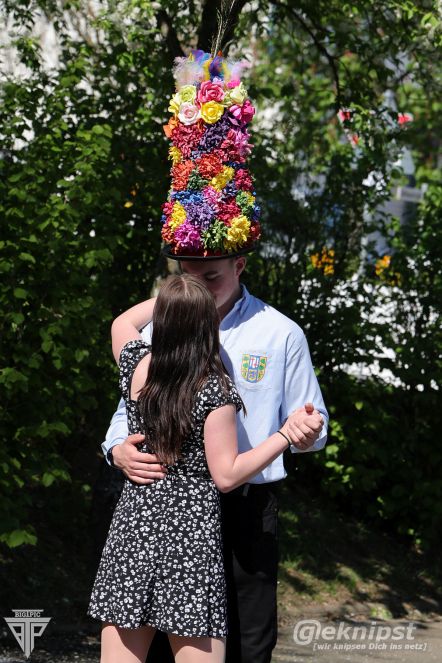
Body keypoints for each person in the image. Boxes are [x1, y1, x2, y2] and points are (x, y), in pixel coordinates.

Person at [100, 49, 328, 663]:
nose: (201, 284)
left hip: (244, 514)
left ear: (241, 263)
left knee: (247, 650)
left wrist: (303, 433)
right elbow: (126, 415)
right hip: (164, 505)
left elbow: (313, 426)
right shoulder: (163, 332)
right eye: (187, 274)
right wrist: (116, 449)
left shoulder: (280, 333)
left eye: (212, 275)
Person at [88, 274, 312, 663]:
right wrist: (284, 436)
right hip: (189, 536)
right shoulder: (214, 391)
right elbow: (227, 475)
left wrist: (172, 299)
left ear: (164, 322)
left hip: (135, 524)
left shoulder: (138, 368)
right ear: (208, 327)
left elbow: (121, 323)